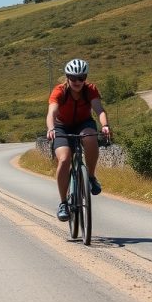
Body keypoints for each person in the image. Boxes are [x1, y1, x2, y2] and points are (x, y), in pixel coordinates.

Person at [46, 58, 111, 222]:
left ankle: (90, 177)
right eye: (73, 78)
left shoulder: (90, 90)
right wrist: (51, 128)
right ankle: (63, 204)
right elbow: (52, 112)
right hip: (61, 126)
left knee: (90, 138)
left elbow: (99, 110)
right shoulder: (60, 91)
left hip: (84, 123)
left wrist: (105, 126)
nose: (77, 81)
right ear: (67, 77)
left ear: (85, 77)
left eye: (81, 78)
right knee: (64, 159)